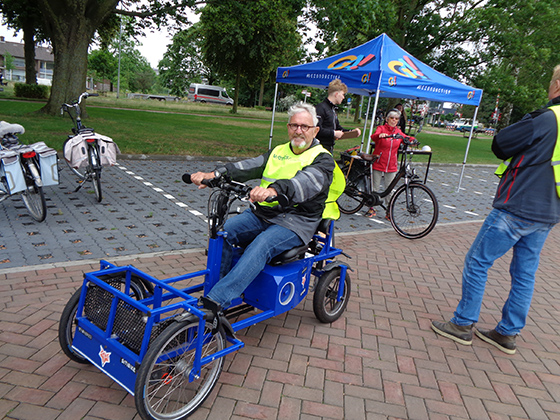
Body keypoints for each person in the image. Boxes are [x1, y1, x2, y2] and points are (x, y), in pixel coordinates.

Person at [431, 65, 560, 355]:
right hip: (549, 212)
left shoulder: (548, 118)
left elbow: (501, 144)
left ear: (557, 86)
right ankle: (508, 332)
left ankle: (463, 324)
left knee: (478, 261)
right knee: (525, 274)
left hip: (517, 206)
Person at [191, 102, 343, 312]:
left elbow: (305, 182)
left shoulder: (323, 159)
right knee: (223, 233)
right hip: (262, 214)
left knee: (261, 245)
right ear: (288, 127)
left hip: (296, 221)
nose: (298, 130)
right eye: (294, 125)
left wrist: (273, 190)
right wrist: (215, 175)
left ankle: (216, 302)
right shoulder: (278, 151)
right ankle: (221, 286)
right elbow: (248, 166)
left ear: (315, 130)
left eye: (304, 127)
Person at [365, 109, 413, 219]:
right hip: (378, 161)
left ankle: (388, 211)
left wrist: (413, 140)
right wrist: (380, 135)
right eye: (392, 118)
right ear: (387, 119)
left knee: (389, 189)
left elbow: (405, 137)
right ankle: (372, 208)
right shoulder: (381, 128)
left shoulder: (398, 132)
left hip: (391, 164)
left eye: (396, 119)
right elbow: (374, 136)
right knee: (375, 187)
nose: (394, 120)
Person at [315, 79, 361, 153]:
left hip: (329, 148)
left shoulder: (333, 109)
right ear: (336, 94)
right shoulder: (321, 108)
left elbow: (338, 127)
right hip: (319, 148)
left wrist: (351, 132)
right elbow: (316, 129)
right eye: (343, 94)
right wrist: (334, 133)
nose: (343, 97)